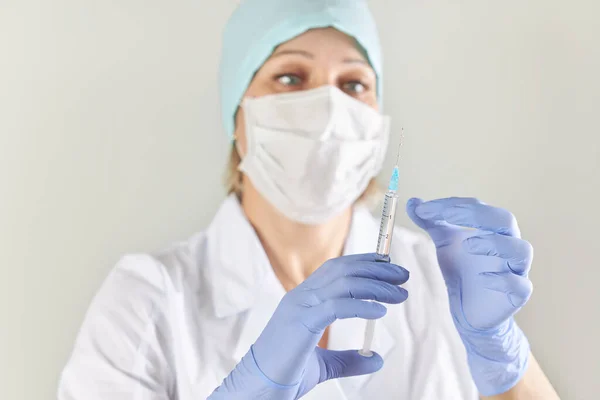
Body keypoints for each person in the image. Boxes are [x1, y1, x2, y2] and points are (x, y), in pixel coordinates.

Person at [58, 1, 560, 399]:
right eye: (291, 77)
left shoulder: (438, 278)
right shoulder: (149, 298)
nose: (330, 108)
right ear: (238, 115)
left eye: (354, 83)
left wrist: (501, 352)